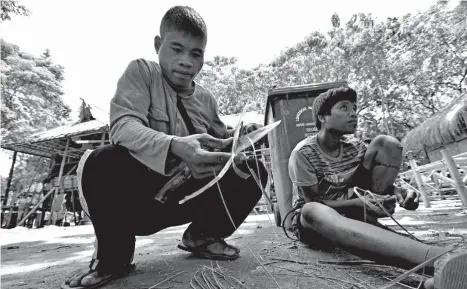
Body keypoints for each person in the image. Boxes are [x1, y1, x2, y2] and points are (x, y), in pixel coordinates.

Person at [62, 6, 266, 289]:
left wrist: (242, 137)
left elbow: (223, 139)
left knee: (254, 169)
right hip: (139, 201)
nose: (186, 61)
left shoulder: (206, 99)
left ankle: (203, 235)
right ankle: (114, 257)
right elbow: (122, 126)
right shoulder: (141, 72)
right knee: (102, 160)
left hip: (188, 197)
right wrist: (174, 146)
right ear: (158, 45)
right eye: (177, 49)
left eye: (196, 53)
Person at [287, 87, 466, 289]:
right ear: (322, 117)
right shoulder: (303, 153)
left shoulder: (355, 146)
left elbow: (372, 177)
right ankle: (441, 261)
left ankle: (440, 279)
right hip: (313, 224)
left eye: (354, 108)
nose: (353, 113)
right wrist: (358, 202)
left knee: (385, 143)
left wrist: (399, 192)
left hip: (352, 214)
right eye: (344, 108)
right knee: (311, 209)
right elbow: (312, 200)